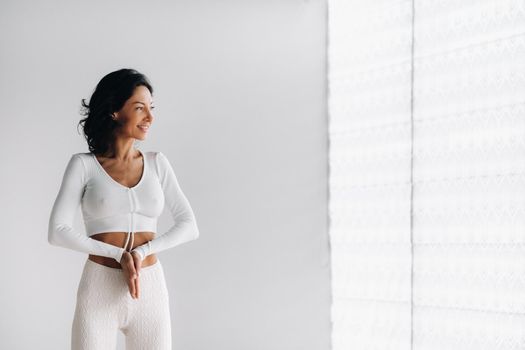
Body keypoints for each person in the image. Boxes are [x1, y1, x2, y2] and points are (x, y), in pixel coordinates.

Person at [47, 68, 200, 349]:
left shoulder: (158, 163)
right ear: (114, 111)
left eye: (151, 108)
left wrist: (140, 253)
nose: (150, 118)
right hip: (99, 287)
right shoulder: (84, 165)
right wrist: (119, 255)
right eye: (139, 108)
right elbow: (57, 231)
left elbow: (189, 225)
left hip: (150, 288)